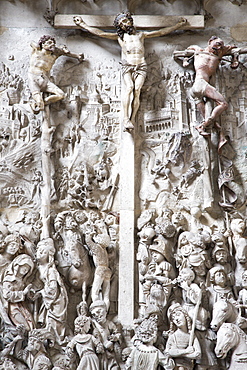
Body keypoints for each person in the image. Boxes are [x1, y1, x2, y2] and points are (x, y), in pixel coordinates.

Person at [74, 13, 186, 131]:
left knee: (137, 90)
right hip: (128, 65)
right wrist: (83, 24)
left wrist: (178, 25)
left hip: (141, 65)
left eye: (124, 21)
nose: (124, 24)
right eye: (121, 24)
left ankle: (132, 118)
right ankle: (126, 118)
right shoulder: (121, 38)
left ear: (130, 21)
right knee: (129, 88)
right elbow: (101, 33)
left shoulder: (141, 35)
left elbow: (160, 32)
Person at [185, 36, 237, 141]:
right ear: (210, 41)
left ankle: (215, 132)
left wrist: (234, 58)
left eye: (220, 45)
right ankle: (203, 126)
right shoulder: (198, 50)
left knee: (209, 119)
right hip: (200, 83)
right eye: (217, 43)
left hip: (198, 89)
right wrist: (186, 60)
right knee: (223, 104)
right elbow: (188, 49)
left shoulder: (219, 54)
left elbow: (233, 48)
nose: (218, 47)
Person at [28, 35, 83, 113]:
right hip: (34, 79)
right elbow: (31, 43)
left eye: (53, 43)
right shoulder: (37, 51)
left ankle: (41, 103)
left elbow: (66, 53)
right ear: (43, 44)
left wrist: (77, 56)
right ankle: (38, 103)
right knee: (39, 105)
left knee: (61, 95)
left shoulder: (54, 55)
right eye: (49, 42)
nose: (52, 44)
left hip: (45, 80)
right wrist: (37, 45)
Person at [165, 303, 201, 370]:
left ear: (185, 316)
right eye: (173, 318)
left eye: (178, 315)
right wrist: (186, 351)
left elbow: (198, 354)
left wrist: (178, 353)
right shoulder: (173, 336)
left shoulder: (191, 336)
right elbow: (168, 352)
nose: (177, 319)